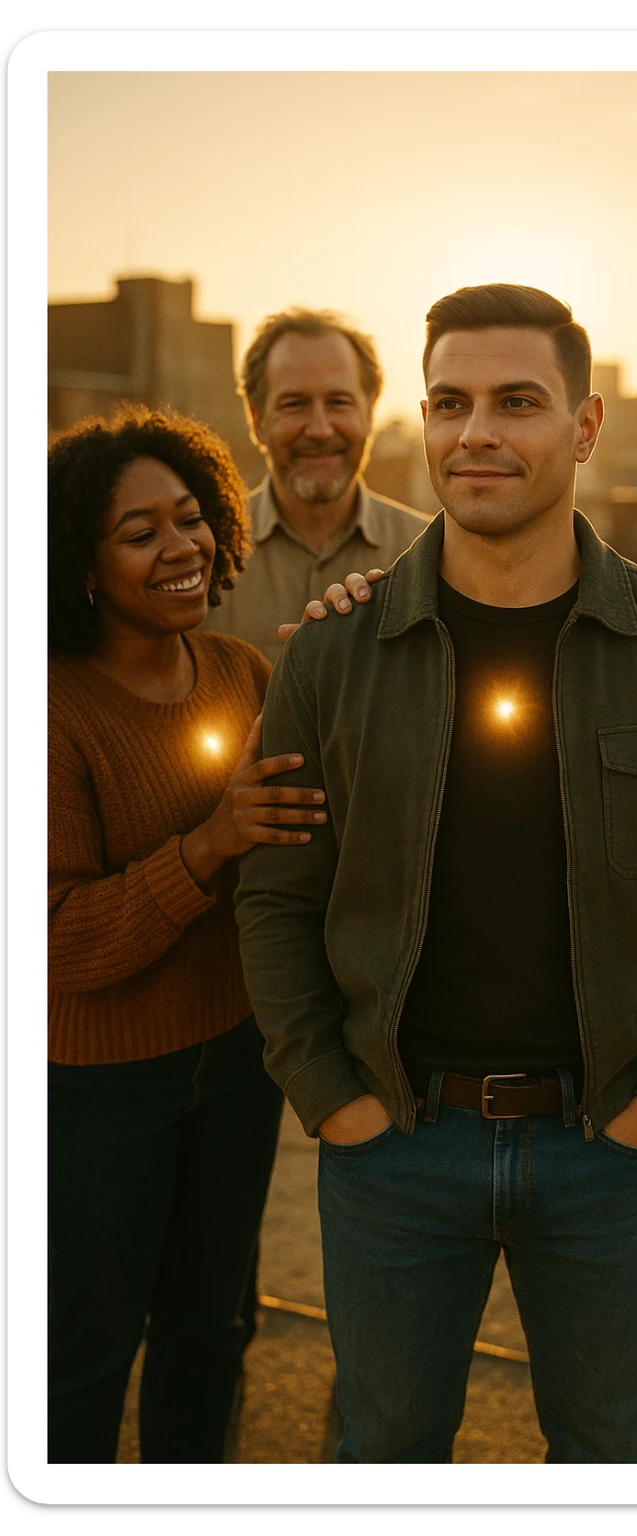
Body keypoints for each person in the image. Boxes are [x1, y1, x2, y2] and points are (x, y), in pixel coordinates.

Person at [235, 283, 637, 1464]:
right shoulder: (333, 648)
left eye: (516, 402)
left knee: (606, 1457)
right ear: (419, 423)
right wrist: (328, 1090)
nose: (475, 431)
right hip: (393, 1140)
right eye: (450, 402)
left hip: (606, 1145)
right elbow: (277, 894)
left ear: (585, 428)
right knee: (381, 1454)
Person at [47, 406, 326, 1463]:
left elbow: (294, 850)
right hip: (97, 1091)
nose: (183, 548)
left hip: (233, 1067)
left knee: (213, 1332)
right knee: (84, 1349)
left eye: (190, 518)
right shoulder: (53, 711)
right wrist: (207, 846)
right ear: (80, 560)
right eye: (139, 532)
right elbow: (59, 944)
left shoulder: (240, 670)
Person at [202, 307, 430, 665]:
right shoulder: (202, 558)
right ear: (256, 419)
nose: (320, 430)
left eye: (339, 403)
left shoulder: (434, 554)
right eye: (295, 404)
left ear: (370, 414)